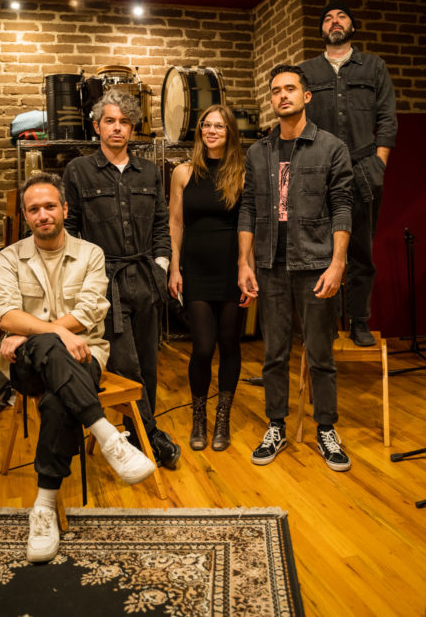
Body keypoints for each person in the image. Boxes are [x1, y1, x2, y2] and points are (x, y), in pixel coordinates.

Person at [0, 173, 155, 563]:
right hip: (24, 363)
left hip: (85, 356)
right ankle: (108, 435)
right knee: (48, 343)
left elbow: (90, 311)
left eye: (50, 206)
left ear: (64, 209)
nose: (43, 214)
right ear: (26, 216)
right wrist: (56, 333)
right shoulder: (11, 257)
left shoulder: (91, 254)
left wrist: (30, 330)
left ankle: (44, 507)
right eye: (34, 209)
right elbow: (2, 313)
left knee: (57, 401)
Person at [238, 65, 354, 472]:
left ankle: (326, 428)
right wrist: (244, 262)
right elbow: (248, 208)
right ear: (271, 99)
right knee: (274, 353)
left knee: (320, 353)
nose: (282, 95)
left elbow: (343, 206)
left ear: (306, 96)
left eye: (290, 89)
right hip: (270, 265)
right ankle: (276, 425)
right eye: (275, 91)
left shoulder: (331, 147)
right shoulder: (258, 152)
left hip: (316, 263)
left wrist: (338, 263)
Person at [63, 89, 180, 469]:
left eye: (124, 122)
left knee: (148, 363)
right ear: (97, 127)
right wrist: (85, 277)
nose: (117, 128)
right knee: (125, 365)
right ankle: (149, 436)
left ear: (132, 129)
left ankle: (139, 432)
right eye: (110, 121)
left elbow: (161, 223)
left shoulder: (148, 171)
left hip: (145, 278)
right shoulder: (78, 170)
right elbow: (71, 228)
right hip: (104, 283)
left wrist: (161, 265)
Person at [300, 1, 397, 346]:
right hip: (318, 172)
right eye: (327, 18)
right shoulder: (306, 70)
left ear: (352, 27)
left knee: (360, 251)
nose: (334, 21)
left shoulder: (374, 67)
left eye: (341, 16)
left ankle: (359, 321)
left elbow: (387, 118)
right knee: (319, 251)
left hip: (363, 170)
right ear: (321, 30)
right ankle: (325, 323)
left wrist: (379, 163)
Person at [168, 105, 246, 451]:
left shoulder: (242, 174)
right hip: (196, 268)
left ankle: (222, 418)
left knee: (229, 343)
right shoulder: (183, 172)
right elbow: (175, 222)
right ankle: (199, 416)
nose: (211, 131)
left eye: (219, 126)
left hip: (231, 268)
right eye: (206, 125)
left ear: (230, 133)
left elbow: (248, 226)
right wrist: (174, 267)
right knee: (202, 346)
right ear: (200, 131)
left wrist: (247, 269)